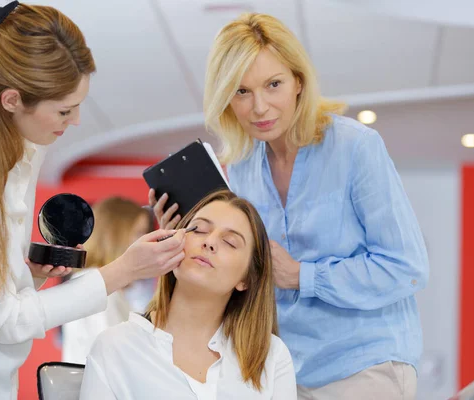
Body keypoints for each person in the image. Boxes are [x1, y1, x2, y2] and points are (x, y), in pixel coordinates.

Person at [149, 12, 429, 400]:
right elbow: (245, 274)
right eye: (241, 91)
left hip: (365, 365)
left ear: (299, 81)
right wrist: (184, 238)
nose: (259, 107)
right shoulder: (243, 168)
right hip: (281, 370)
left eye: (273, 85)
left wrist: (302, 275)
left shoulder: (356, 147)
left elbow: (407, 269)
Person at [0, 3, 186, 399]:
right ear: (11, 100)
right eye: (64, 109)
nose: (76, 120)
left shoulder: (21, 148)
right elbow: (3, 321)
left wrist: (30, 275)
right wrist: (121, 272)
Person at [81, 189, 296, 399]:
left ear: (246, 279)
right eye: (199, 229)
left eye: (230, 242)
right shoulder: (114, 347)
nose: (209, 242)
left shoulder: (271, 357)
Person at [62, 197, 157, 364]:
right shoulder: (96, 285)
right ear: (115, 235)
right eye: (139, 232)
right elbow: (118, 356)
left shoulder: (104, 286)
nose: (146, 241)